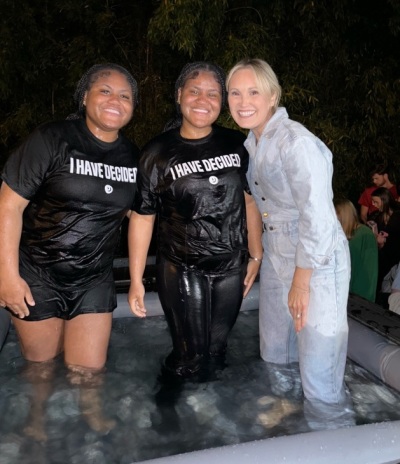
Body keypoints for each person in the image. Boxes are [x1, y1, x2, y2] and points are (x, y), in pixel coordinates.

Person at [226, 58, 351, 407]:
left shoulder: (295, 142)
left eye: (253, 91)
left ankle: (335, 436)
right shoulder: (253, 143)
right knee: (275, 354)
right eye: (235, 93)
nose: (243, 101)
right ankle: (289, 414)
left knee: (319, 374)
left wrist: (301, 279)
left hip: (317, 259)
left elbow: (318, 215)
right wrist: (259, 255)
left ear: (272, 96)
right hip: (277, 252)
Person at [0, 63, 139, 372]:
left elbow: (143, 215)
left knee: (88, 372)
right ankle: (36, 417)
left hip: (93, 279)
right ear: (85, 97)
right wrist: (7, 276)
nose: (115, 101)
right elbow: (8, 206)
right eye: (105, 91)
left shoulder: (132, 156)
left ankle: (89, 417)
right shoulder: (51, 138)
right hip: (37, 274)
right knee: (40, 368)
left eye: (125, 96)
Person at [128, 61, 263, 378]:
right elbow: (142, 218)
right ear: (179, 95)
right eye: (194, 91)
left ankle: (210, 412)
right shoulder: (157, 152)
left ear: (223, 101)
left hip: (231, 266)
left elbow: (249, 199)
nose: (203, 101)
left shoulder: (237, 144)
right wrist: (136, 279)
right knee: (189, 355)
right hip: (182, 266)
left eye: (213, 94)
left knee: (217, 352)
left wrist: (256, 253)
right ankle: (168, 408)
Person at [334, 199, 378, 302]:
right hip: (345, 293)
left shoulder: (364, 234)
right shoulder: (343, 235)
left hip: (358, 296)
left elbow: (369, 271)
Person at [370, 187, 400, 301]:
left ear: (384, 200)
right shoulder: (378, 216)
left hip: (394, 260)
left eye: (376, 202)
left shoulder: (397, 217)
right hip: (383, 258)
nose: (374, 205)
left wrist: (385, 241)